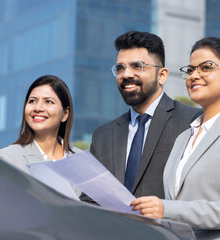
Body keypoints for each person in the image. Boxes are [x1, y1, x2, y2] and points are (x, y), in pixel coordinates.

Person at [131, 37, 220, 240]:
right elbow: (178, 207)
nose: (194, 75)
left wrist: (164, 209)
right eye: (190, 70)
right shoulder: (183, 138)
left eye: (206, 68)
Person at [80, 31, 200, 201]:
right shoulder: (103, 136)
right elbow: (90, 199)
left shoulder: (192, 122)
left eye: (137, 66)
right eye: (120, 68)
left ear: (162, 75)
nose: (127, 74)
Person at [0, 75, 81, 196]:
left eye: (48, 102)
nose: (38, 108)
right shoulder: (8, 158)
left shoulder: (82, 160)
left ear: (65, 114)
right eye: (32, 101)